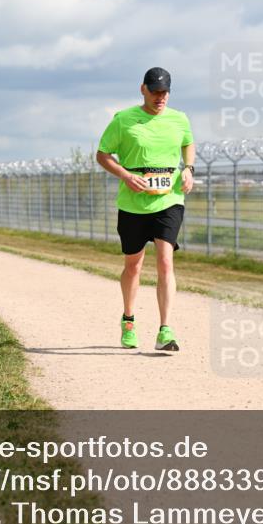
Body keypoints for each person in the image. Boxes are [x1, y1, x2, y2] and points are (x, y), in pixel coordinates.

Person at [96, 67, 195, 351]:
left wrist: (188, 169)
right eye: (155, 92)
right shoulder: (124, 119)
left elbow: (188, 142)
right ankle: (128, 320)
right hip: (133, 202)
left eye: (164, 92)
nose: (160, 97)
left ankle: (165, 329)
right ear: (143, 89)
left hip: (169, 198)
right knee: (133, 265)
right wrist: (126, 176)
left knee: (165, 260)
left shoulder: (179, 119)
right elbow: (103, 154)